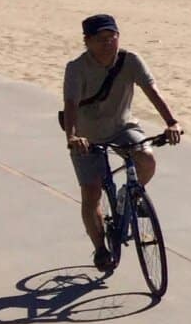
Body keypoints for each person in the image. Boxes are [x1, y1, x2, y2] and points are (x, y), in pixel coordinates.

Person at [61, 15, 183, 271]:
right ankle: (101, 249)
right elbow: (70, 104)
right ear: (87, 42)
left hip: (122, 127)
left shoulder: (130, 61)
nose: (108, 44)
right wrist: (72, 136)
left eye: (112, 37)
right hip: (86, 135)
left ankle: (128, 198)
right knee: (91, 193)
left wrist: (172, 122)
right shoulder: (76, 68)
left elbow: (153, 91)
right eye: (101, 39)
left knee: (146, 158)